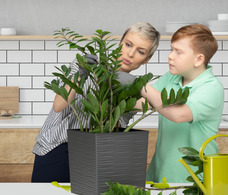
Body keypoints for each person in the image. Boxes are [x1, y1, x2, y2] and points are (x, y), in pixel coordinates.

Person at [31, 22, 160, 182]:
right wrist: (80, 74)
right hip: (57, 147)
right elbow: (59, 105)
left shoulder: (134, 87)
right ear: (120, 43)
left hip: (98, 155)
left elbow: (159, 104)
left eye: (140, 51)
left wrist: (132, 84)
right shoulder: (87, 63)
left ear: (146, 59)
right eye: (128, 44)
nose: (130, 54)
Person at [139, 24, 224, 183]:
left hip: (196, 181)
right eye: (171, 49)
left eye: (178, 52)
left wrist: (140, 85)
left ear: (198, 59)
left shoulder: (211, 88)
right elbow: (147, 102)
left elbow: (178, 114)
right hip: (161, 175)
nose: (171, 56)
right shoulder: (170, 78)